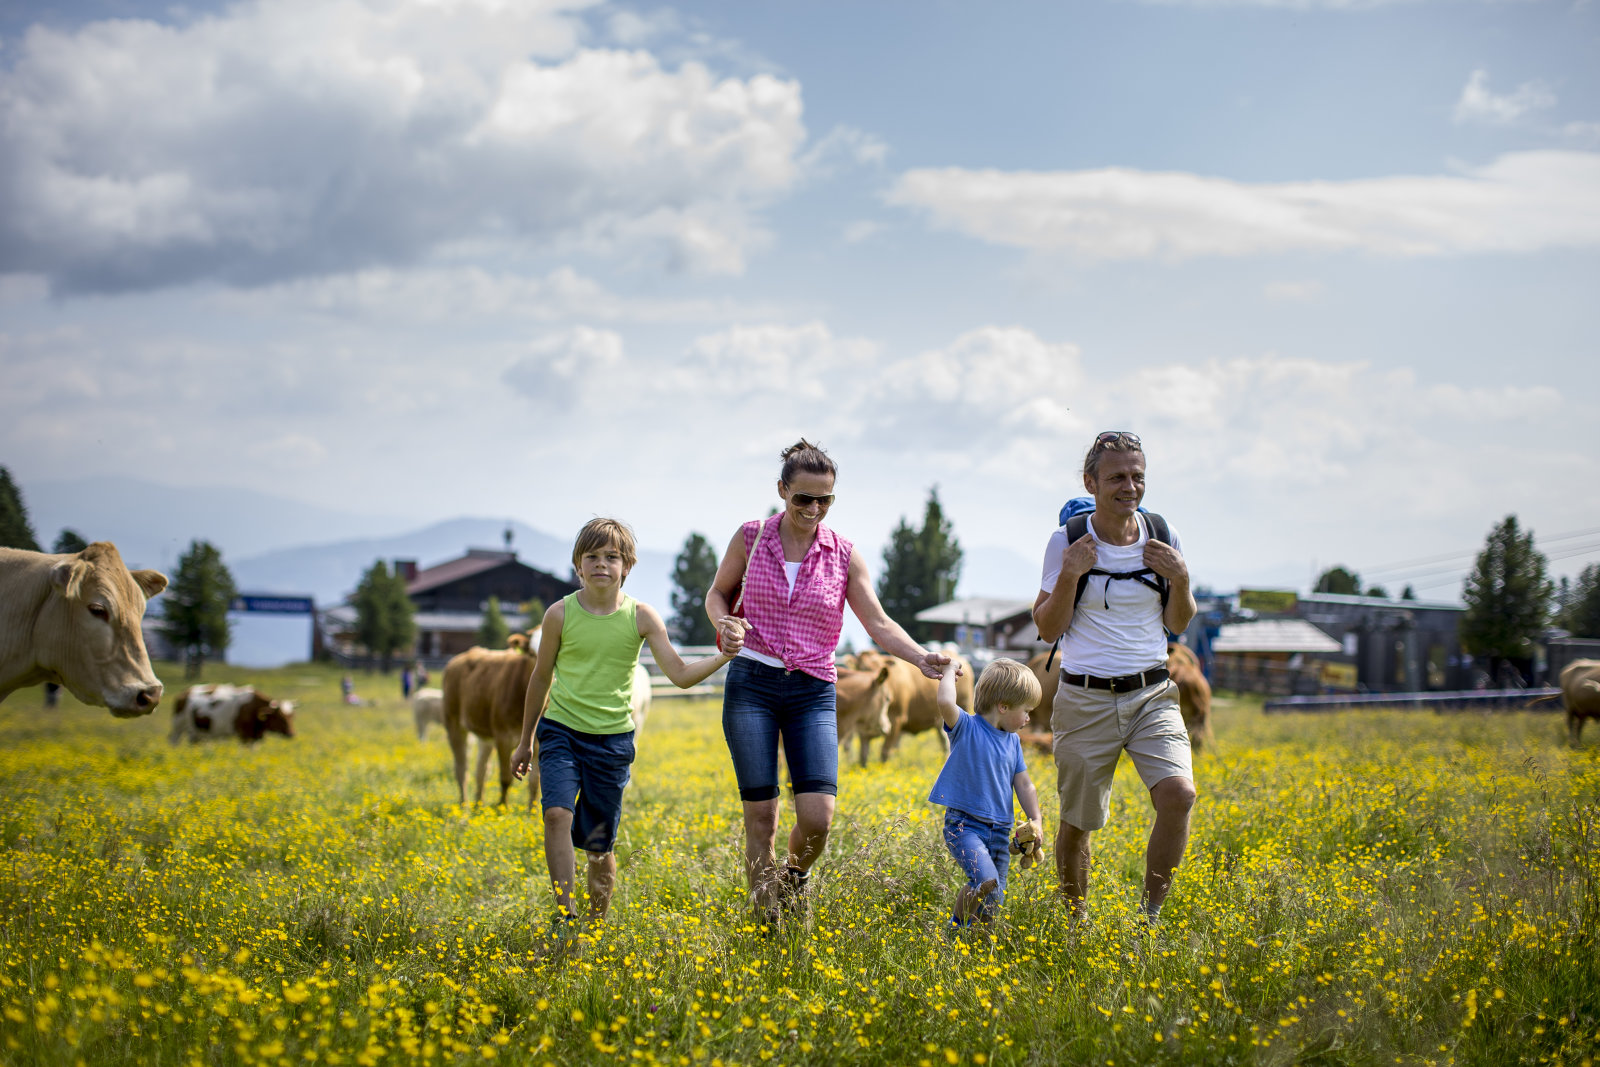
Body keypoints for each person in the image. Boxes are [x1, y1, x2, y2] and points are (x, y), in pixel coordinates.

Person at [705, 439, 952, 927]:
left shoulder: (843, 554)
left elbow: (878, 624)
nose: (814, 509)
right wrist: (724, 623)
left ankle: (793, 880)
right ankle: (765, 922)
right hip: (752, 682)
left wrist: (922, 658)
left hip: (813, 689)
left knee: (817, 818)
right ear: (782, 491)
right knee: (763, 816)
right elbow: (717, 594)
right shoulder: (751, 538)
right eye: (803, 499)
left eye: (825, 500)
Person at [510, 518, 746, 946]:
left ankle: (595, 932)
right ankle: (565, 918)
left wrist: (723, 657)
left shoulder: (641, 616)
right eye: (593, 557)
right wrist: (525, 740)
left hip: (613, 743)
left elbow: (678, 674)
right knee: (556, 815)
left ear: (627, 566)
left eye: (612, 557)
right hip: (561, 731)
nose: (602, 564)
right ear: (578, 566)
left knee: (600, 850)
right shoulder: (559, 614)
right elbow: (540, 678)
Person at [1032, 431, 1198, 928]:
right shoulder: (1067, 541)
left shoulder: (1163, 533)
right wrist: (1069, 574)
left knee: (1179, 795)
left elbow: (1180, 622)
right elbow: (1046, 628)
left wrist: (1182, 578)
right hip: (1085, 697)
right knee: (1079, 824)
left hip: (1152, 693)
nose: (1130, 487)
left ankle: (1149, 919)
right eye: (1117, 477)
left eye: (1138, 476)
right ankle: (1076, 924)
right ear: (1092, 482)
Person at [928, 657, 1044, 928]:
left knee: (994, 896)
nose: (1029, 718)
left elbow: (1025, 784)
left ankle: (980, 941)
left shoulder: (1013, 742)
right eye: (1026, 710)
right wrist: (947, 672)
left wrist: (1035, 819)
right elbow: (945, 703)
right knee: (985, 880)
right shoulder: (966, 727)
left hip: (1000, 832)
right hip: (965, 826)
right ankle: (956, 927)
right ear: (1003, 706)